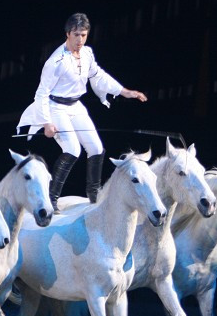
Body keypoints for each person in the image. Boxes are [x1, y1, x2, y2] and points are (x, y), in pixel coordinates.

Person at [16, 13, 147, 212]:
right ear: (68, 34)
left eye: (84, 35)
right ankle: (51, 198)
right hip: (55, 107)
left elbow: (98, 76)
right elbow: (41, 94)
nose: (80, 40)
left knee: (96, 148)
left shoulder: (87, 54)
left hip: (75, 106)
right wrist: (46, 123)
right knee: (72, 150)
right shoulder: (56, 62)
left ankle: (94, 194)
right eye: (76, 35)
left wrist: (124, 91)